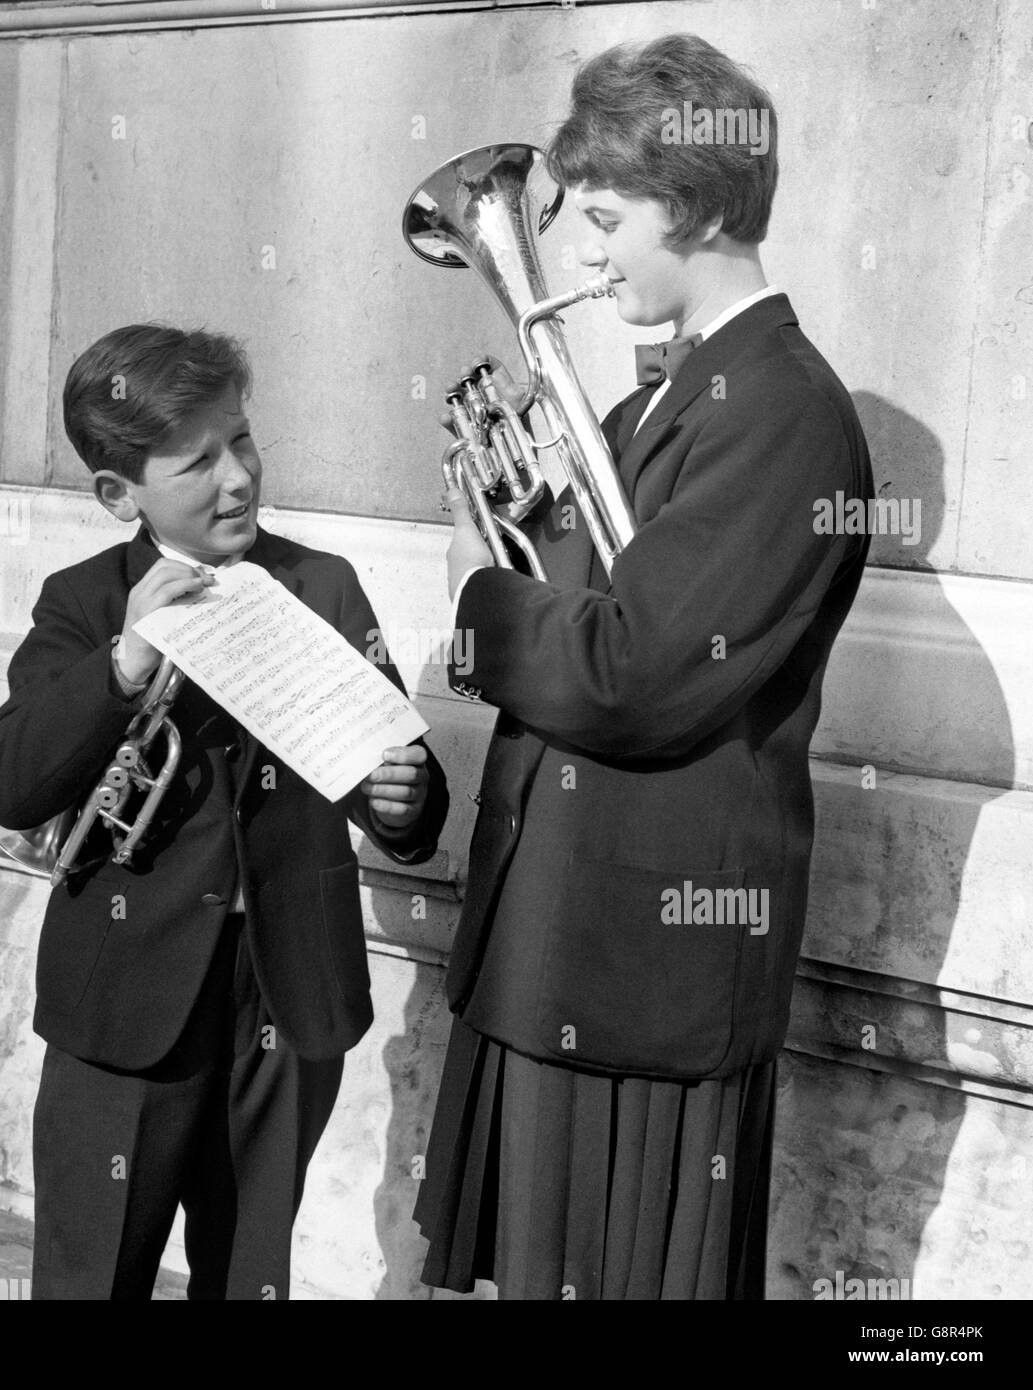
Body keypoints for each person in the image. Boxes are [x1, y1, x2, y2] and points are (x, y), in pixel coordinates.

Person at [414, 33, 873, 1299]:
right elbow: (566, 620)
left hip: (641, 966)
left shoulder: (782, 411)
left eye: (607, 217)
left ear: (699, 203)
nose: (582, 250)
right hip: (558, 930)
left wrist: (478, 582)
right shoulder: (657, 401)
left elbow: (631, 675)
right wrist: (514, 559)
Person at [0, 323, 448, 1300]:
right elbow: (10, 781)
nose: (236, 477)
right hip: (124, 997)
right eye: (197, 461)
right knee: (89, 1273)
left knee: (250, 1274)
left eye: (242, 440)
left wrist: (406, 798)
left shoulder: (323, 584)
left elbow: (393, 774)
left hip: (285, 989)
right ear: (120, 495)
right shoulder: (85, 601)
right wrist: (125, 661)